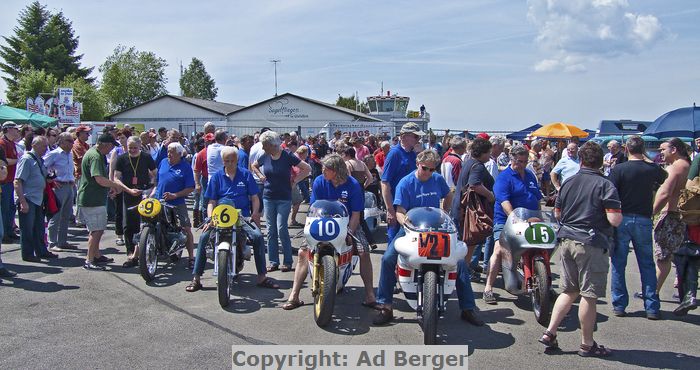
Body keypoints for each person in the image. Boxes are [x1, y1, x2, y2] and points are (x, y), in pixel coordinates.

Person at [374, 149, 484, 325]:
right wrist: (406, 225)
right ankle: (385, 306)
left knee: (460, 261)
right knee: (387, 259)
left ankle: (468, 308)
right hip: (412, 230)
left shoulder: (437, 179)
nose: (428, 173)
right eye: (425, 168)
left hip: (435, 229)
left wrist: (445, 211)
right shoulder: (406, 183)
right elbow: (400, 212)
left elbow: (448, 194)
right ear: (418, 164)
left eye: (433, 169)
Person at [539, 141, 621, 357]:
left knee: (569, 290)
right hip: (591, 243)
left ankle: (550, 332)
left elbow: (557, 213)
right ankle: (587, 344)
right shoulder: (605, 185)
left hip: (566, 240)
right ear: (600, 161)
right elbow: (614, 219)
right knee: (589, 294)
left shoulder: (568, 182)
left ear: (581, 159)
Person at [282, 154, 376, 309]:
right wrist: (309, 229)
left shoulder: (353, 185)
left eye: (327, 168)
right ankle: (294, 295)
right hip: (321, 222)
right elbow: (313, 209)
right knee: (302, 253)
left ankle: (370, 295)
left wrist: (349, 233)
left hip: (347, 223)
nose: (323, 170)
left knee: (363, 251)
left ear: (337, 171)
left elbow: (356, 214)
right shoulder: (319, 181)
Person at [186, 147, 276, 291]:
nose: (230, 163)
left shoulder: (246, 174)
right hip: (220, 216)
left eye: (232, 160)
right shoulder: (216, 177)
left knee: (258, 237)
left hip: (242, 216)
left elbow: (254, 197)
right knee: (204, 238)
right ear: (223, 161)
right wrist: (210, 218)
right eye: (227, 161)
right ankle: (196, 278)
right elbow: (211, 202)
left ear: (237, 160)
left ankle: (262, 276)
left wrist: (255, 214)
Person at [608, 136, 666, 319]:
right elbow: (663, 176)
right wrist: (646, 158)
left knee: (618, 263)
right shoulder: (651, 169)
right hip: (643, 218)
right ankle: (652, 306)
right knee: (647, 264)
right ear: (643, 150)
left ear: (626, 150)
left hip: (622, 217)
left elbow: (610, 191)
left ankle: (619, 304)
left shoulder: (619, 169)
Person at [482, 145, 542, 304]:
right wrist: (515, 218)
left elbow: (537, 198)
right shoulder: (504, 177)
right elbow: (504, 202)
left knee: (540, 247)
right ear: (512, 159)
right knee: (499, 250)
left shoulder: (529, 175)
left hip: (529, 219)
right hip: (506, 220)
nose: (521, 164)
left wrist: (540, 216)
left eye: (524, 161)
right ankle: (488, 288)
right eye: (519, 161)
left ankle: (543, 283)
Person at [251, 131, 311, 272]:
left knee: (281, 228)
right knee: (271, 230)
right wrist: (260, 175)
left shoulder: (287, 155)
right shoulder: (265, 155)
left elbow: (307, 169)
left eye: (265, 146)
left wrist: (295, 181)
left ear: (273, 145)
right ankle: (273, 261)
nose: (263, 148)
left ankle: (288, 261)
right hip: (268, 196)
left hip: (284, 197)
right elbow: (253, 165)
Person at [452, 137, 495, 281]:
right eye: (488, 152)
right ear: (482, 152)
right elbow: (474, 184)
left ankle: (461, 272)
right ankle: (462, 276)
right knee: (469, 244)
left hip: (460, 207)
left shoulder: (469, 162)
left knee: (464, 244)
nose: (490, 155)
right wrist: (490, 196)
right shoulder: (477, 165)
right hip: (467, 211)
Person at [652, 138, 691, 294]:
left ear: (674, 149)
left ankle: (653, 291)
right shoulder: (688, 165)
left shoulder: (674, 168)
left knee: (663, 256)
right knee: (681, 256)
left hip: (670, 215)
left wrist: (652, 212)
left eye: (663, 149)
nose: (660, 153)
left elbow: (664, 193)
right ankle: (686, 291)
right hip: (685, 215)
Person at [77, 134, 122, 270]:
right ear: (105, 144)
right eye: (111, 146)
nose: (111, 149)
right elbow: (99, 179)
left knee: (99, 229)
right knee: (96, 231)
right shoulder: (95, 156)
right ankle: (89, 260)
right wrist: (115, 185)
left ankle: (96, 255)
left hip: (95, 197)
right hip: (92, 199)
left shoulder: (95, 154)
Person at [113, 136, 157, 267]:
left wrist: (152, 187)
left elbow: (155, 173)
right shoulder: (121, 159)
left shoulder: (146, 157)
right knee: (128, 225)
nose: (132, 150)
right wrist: (128, 190)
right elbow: (116, 178)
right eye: (130, 147)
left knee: (145, 223)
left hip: (144, 193)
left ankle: (144, 250)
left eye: (135, 148)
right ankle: (130, 254)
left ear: (140, 147)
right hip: (128, 194)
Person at [151, 142, 196, 267]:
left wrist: (175, 195)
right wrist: (152, 194)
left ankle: (191, 257)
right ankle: (139, 254)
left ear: (179, 154)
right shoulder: (163, 162)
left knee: (186, 227)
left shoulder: (185, 167)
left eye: (172, 152)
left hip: (177, 202)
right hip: (159, 201)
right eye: (168, 151)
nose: (169, 154)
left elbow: (190, 187)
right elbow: (158, 182)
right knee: (148, 224)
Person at [381, 123, 424, 243]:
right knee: (394, 242)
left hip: (413, 206)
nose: (418, 139)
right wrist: (390, 210)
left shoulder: (414, 153)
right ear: (404, 136)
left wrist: (420, 154)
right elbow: (385, 183)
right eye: (415, 136)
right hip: (397, 205)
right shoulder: (395, 154)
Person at [14, 136, 55, 262]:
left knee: (39, 228)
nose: (45, 149)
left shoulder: (39, 159)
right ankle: (28, 254)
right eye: (43, 146)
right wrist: (22, 202)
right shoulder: (26, 159)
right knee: (27, 228)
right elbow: (17, 182)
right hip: (29, 199)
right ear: (34, 145)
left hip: (38, 198)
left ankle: (41, 251)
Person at [43, 132, 77, 252]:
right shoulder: (54, 154)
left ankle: (62, 241)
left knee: (66, 215)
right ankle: (52, 243)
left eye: (72, 141)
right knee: (56, 215)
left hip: (69, 186)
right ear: (61, 142)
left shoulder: (69, 154)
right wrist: (50, 180)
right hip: (59, 187)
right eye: (69, 141)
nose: (72, 143)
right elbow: (43, 166)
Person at [343, 146, 377, 249]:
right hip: (361, 190)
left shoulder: (348, 164)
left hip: (351, 192)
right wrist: (363, 186)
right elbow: (370, 178)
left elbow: (348, 179)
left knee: (349, 216)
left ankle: (350, 242)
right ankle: (371, 241)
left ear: (347, 154)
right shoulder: (361, 163)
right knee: (361, 218)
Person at [0, 121, 20, 242]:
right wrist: (18, 161)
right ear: (7, 129)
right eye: (15, 129)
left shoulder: (11, 143)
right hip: (4, 181)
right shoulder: (2, 143)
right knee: (5, 208)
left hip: (10, 180)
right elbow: (4, 161)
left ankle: (9, 230)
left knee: (10, 208)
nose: (17, 131)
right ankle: (6, 233)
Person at [289, 146, 309, 227]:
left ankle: (290, 220)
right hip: (291, 182)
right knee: (297, 201)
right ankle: (292, 220)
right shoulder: (297, 159)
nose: (307, 155)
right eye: (306, 153)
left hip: (289, 182)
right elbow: (297, 171)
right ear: (303, 153)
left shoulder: (294, 156)